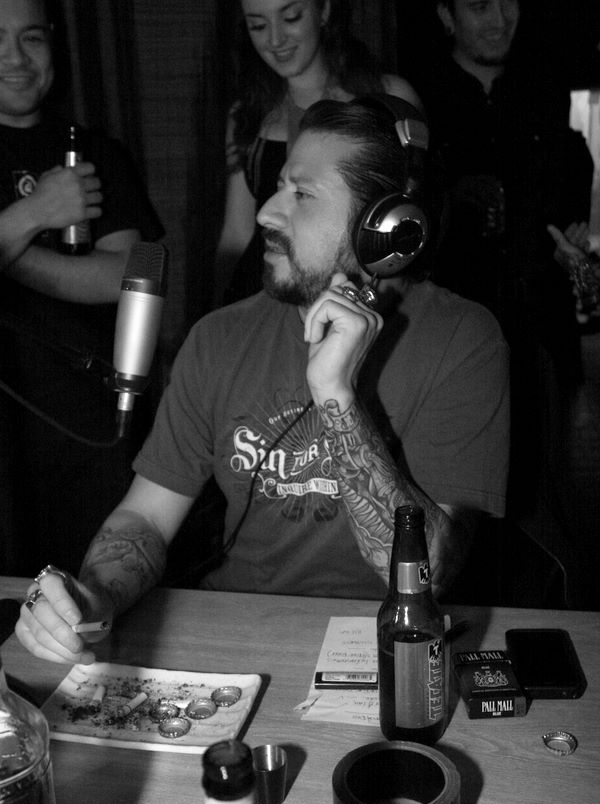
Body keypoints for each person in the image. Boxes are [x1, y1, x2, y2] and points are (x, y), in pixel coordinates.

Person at [16, 94, 509, 666]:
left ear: (385, 228)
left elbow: (432, 572)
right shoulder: (218, 338)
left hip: (385, 648)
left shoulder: (463, 340)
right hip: (237, 634)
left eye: (302, 195)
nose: (266, 214)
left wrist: (337, 397)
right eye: (277, 187)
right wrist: (95, 597)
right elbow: (145, 516)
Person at [408, 0, 594, 529]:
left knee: (540, 494)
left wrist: (570, 244)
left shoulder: (542, 86)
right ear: (446, 15)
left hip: (537, 325)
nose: (499, 18)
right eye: (479, 5)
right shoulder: (422, 96)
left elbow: (562, 193)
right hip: (450, 329)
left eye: (508, 1)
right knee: (457, 497)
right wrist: (451, 196)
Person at [0, 0, 163, 576]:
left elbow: (126, 276)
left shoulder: (95, 152)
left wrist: (8, 252)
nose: (15, 58)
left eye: (31, 39)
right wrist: (34, 213)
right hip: (6, 433)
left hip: (88, 418)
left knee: (93, 588)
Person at [214, 0, 423, 306]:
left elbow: (411, 217)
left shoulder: (388, 97)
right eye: (258, 25)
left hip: (358, 295)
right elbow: (236, 231)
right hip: (265, 291)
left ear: (323, 11)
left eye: (291, 17)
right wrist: (219, 306)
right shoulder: (248, 112)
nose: (275, 39)